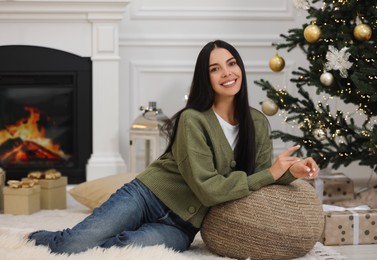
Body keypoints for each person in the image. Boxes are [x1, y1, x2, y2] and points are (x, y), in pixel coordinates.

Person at [27, 40, 320, 254]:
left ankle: (91, 235)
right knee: (73, 244)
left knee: (123, 247)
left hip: (181, 226)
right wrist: (271, 172)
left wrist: (290, 171)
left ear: (240, 68)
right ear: (206, 79)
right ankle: (34, 237)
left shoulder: (257, 122)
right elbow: (209, 189)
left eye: (232, 64)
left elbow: (258, 180)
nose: (227, 73)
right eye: (215, 68)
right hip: (147, 196)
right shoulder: (193, 120)